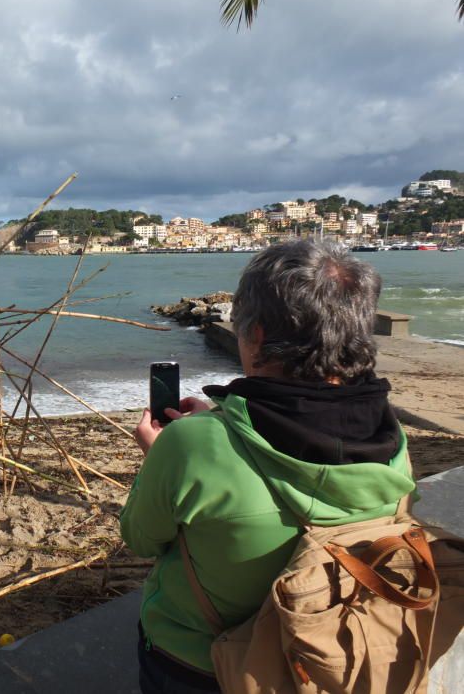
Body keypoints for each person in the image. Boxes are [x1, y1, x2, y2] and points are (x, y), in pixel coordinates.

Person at [120, 240, 416, 693]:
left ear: (256, 334)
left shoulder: (189, 444)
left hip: (210, 664)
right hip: (336, 648)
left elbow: (141, 538)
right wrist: (216, 432)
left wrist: (164, 453)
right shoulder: (389, 434)